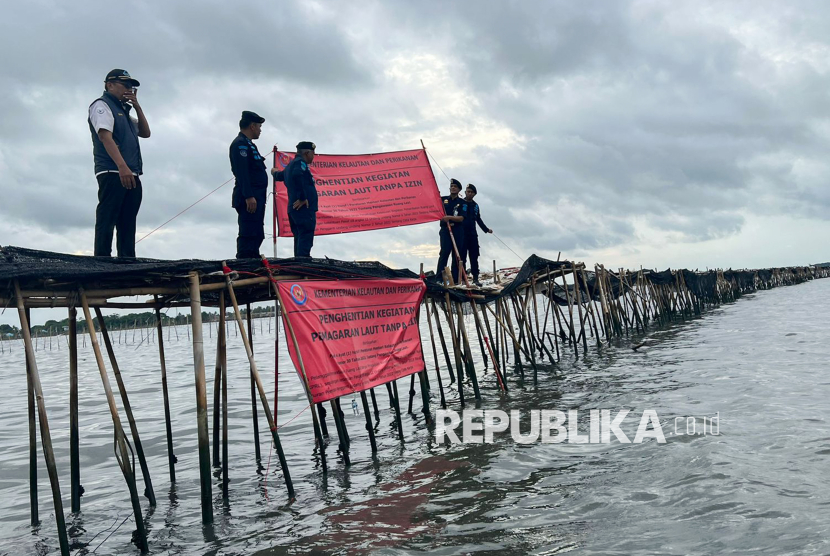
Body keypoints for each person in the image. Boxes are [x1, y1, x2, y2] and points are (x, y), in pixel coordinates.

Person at [88, 69, 150, 257]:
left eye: (131, 87)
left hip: (132, 172)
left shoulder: (124, 111)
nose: (129, 89)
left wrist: (137, 106)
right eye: (125, 85)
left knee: (127, 221)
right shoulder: (102, 105)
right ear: (110, 85)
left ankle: (127, 261)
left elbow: (145, 132)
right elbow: (105, 136)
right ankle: (102, 262)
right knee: (107, 219)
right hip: (112, 171)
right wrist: (122, 166)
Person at [230, 111, 270, 259]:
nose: (260, 130)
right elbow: (242, 172)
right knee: (248, 232)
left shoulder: (248, 144)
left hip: (257, 197)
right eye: (259, 126)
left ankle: (253, 259)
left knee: (257, 232)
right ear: (252, 126)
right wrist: (249, 195)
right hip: (249, 198)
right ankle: (245, 263)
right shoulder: (240, 144)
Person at [282, 141, 318, 257]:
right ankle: (303, 264)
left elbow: (280, 176)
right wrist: (303, 197)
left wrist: (274, 172)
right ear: (307, 153)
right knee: (305, 236)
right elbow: (297, 175)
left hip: (294, 209)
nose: (314, 157)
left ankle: (299, 262)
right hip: (303, 208)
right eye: (313, 153)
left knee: (300, 237)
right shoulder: (300, 163)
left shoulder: (291, 165)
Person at [461, 183, 493, 286]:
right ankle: (463, 278)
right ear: (465, 192)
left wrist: (486, 229)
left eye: (471, 192)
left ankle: (475, 278)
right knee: (462, 257)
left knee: (474, 256)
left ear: (474, 194)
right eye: (468, 192)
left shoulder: (475, 205)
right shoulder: (461, 203)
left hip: (473, 234)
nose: (469, 194)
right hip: (462, 234)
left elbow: (478, 219)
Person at [436, 178, 468, 283]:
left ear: (459, 190)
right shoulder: (443, 200)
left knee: (456, 255)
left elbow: (461, 218)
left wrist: (449, 217)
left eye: (455, 187)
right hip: (445, 230)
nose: (453, 188)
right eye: (452, 186)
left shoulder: (462, 203)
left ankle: (455, 279)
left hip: (457, 230)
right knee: (444, 253)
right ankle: (439, 278)